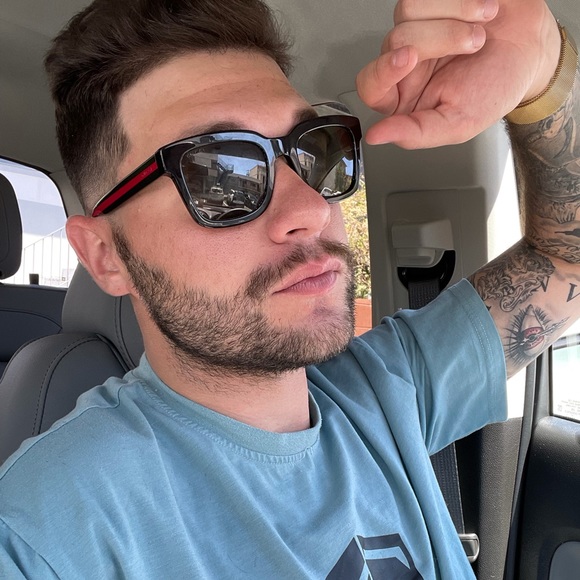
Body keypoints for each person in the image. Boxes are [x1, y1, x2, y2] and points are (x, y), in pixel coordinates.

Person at [0, 0, 578, 577]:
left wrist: (544, 78)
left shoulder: (386, 388)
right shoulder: (40, 533)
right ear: (105, 255)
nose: (311, 208)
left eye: (315, 151)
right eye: (221, 176)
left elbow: (566, 260)